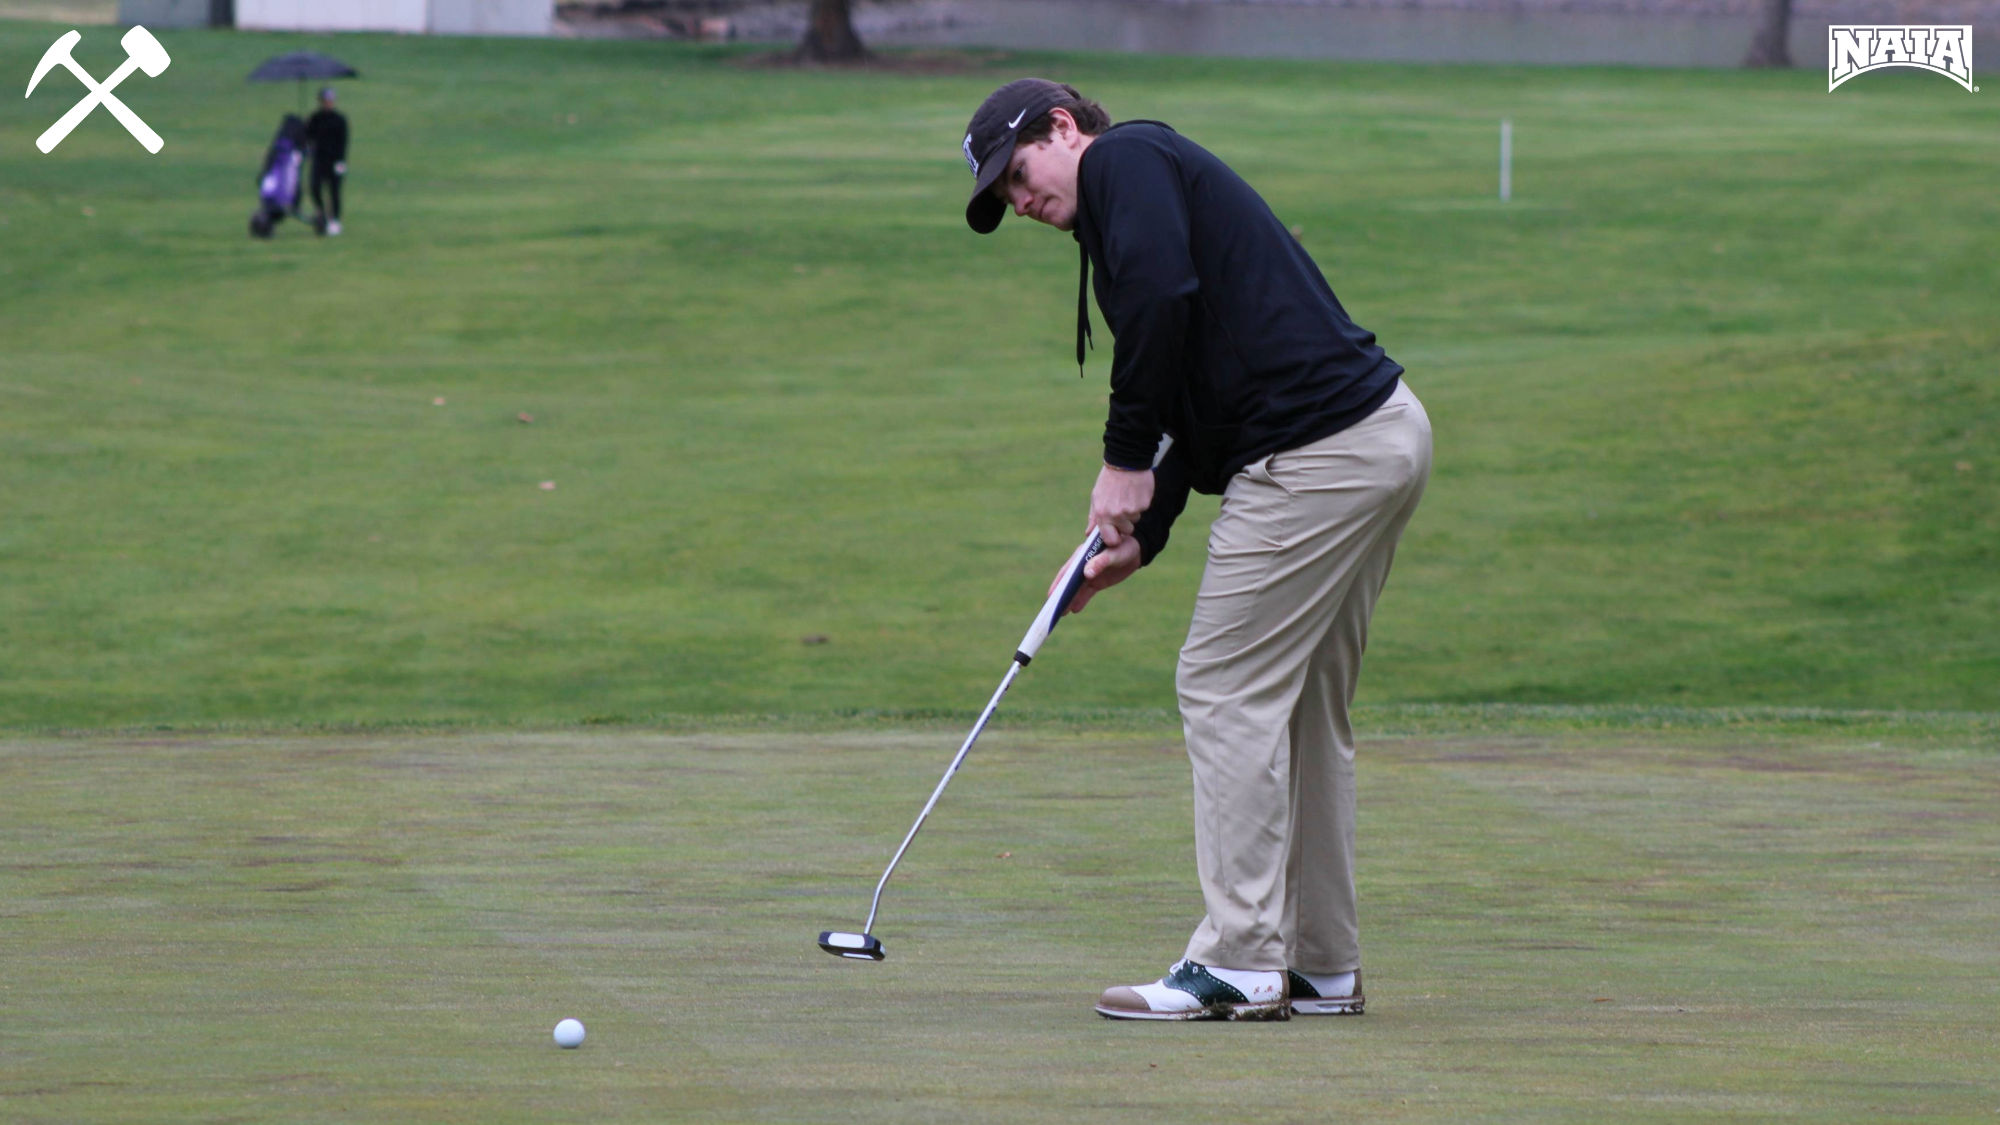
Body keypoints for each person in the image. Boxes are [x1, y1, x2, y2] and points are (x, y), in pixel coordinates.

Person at [960, 79, 1432, 1021]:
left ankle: (1242, 959)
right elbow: (1192, 387)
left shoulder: (1125, 158)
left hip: (1316, 455)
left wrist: (1123, 462)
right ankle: (1319, 965)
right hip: (1376, 436)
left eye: (1018, 175)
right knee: (1298, 709)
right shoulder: (1137, 206)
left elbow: (1165, 303)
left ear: (1064, 127)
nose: (1021, 203)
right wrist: (1143, 534)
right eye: (1004, 198)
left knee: (1222, 684)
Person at [304, 87, 348, 236]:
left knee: (334, 191)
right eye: (325, 101)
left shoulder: (340, 120)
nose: (328, 103)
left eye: (330, 101)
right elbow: (308, 137)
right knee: (315, 187)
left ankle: (334, 219)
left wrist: (341, 162)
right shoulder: (315, 118)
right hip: (319, 159)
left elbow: (343, 142)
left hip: (335, 161)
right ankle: (321, 213)